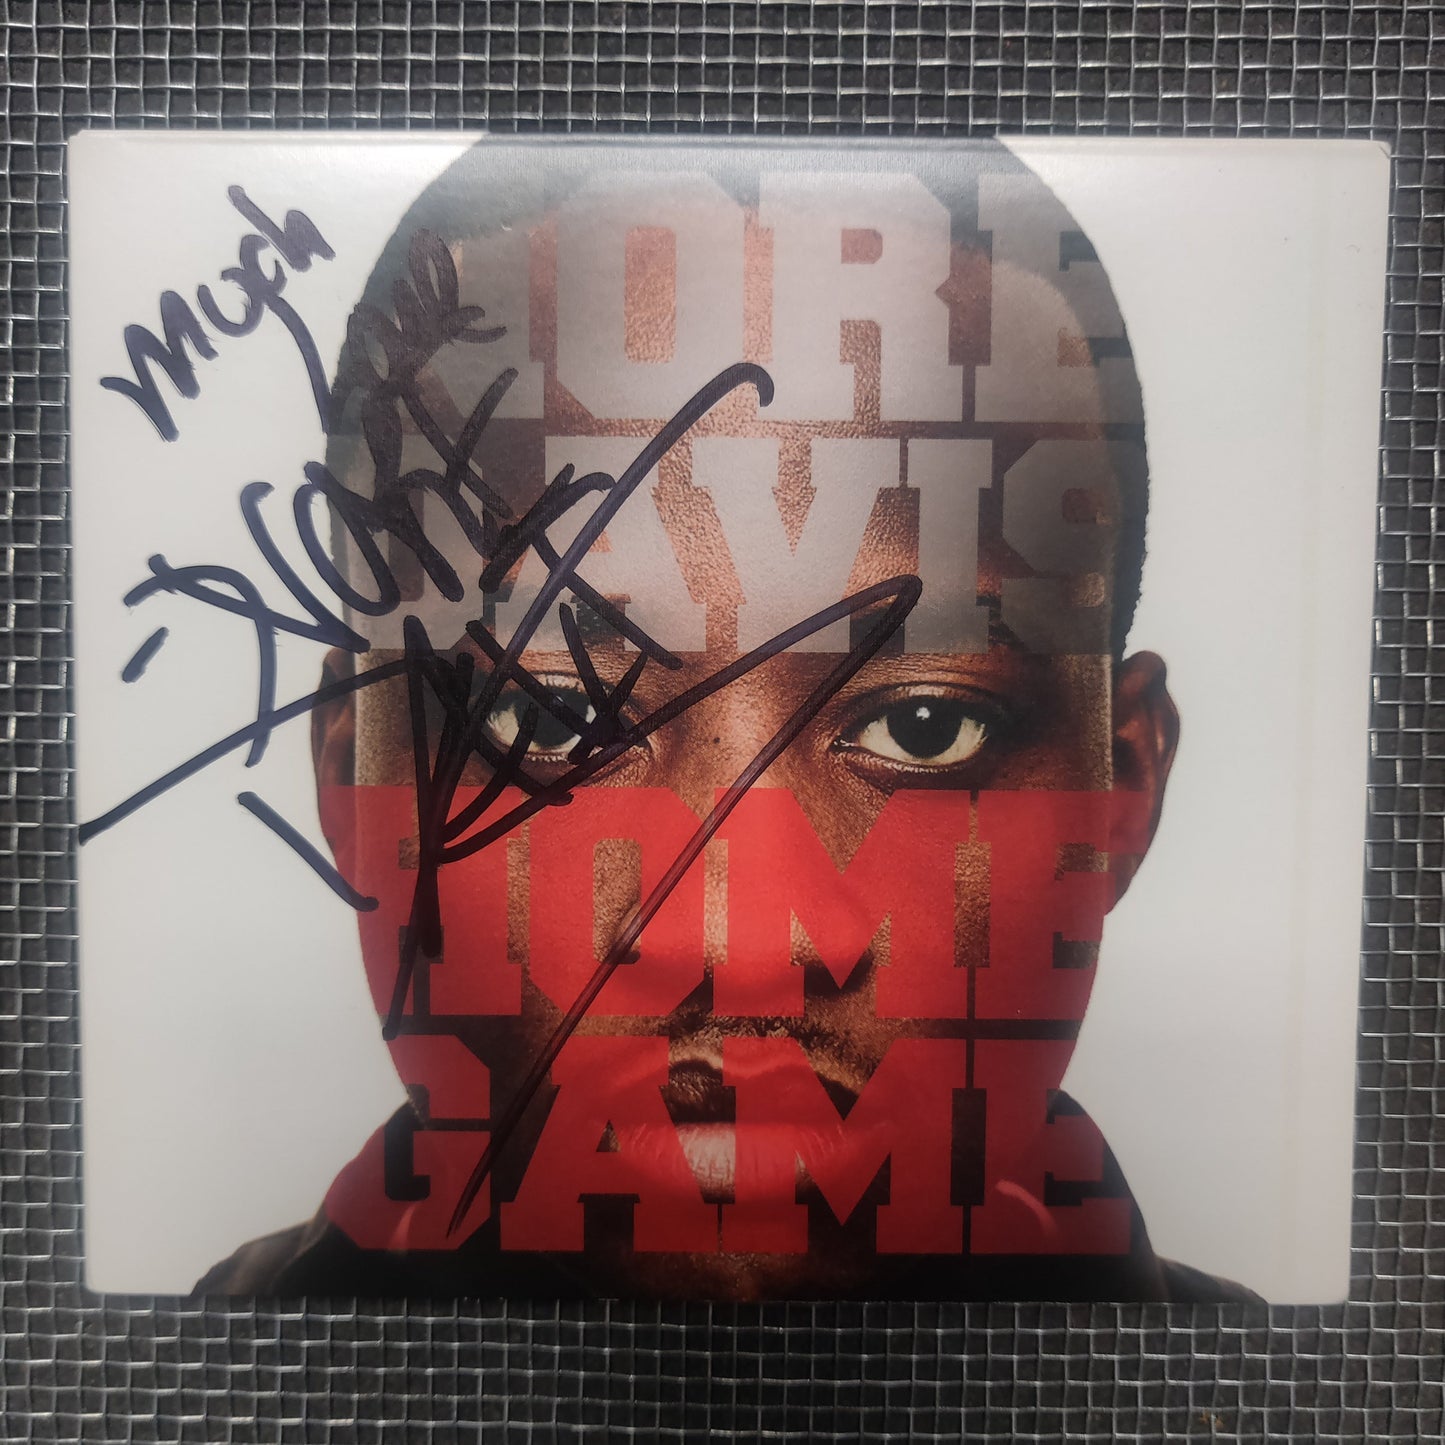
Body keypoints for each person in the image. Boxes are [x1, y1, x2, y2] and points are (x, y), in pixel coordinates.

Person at [195, 139, 1255, 1301]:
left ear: (1122, 791)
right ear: (350, 784)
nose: (737, 943)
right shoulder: (148, 1383)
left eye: (922, 727)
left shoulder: (1295, 1390)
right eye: (549, 716)